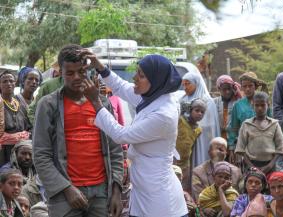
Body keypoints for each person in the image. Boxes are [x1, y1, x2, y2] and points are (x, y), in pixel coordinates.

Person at [82, 52, 188, 217]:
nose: (134, 77)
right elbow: (120, 87)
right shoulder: (153, 96)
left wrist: (96, 101)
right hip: (144, 190)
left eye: (141, 75)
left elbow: (121, 135)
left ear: (156, 80)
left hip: (160, 199)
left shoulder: (164, 114)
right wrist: (99, 66)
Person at [33, 44, 124, 217]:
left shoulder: (102, 103)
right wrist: (66, 188)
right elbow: (40, 154)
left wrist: (116, 191)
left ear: (88, 70)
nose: (76, 77)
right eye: (70, 73)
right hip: (64, 194)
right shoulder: (47, 105)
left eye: (81, 72)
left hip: (101, 193)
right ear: (60, 72)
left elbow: (115, 150)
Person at [235, 92, 283, 174]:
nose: (260, 108)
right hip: (251, 164)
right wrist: (251, 166)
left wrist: (270, 165)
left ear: (268, 105)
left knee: (270, 185)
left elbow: (280, 147)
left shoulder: (274, 124)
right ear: (252, 105)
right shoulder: (246, 124)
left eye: (263, 105)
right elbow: (241, 149)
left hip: (270, 165)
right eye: (257, 105)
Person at [228, 72, 271, 164]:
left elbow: (271, 124)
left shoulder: (264, 103)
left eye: (250, 86)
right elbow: (233, 128)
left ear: (255, 86)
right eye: (244, 86)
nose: (247, 89)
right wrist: (232, 148)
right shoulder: (238, 105)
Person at [181, 72, 221, 167]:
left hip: (201, 139)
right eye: (183, 84)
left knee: (198, 164)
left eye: (188, 83)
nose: (185, 87)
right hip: (185, 140)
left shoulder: (207, 101)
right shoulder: (182, 99)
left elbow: (210, 124)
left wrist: (192, 123)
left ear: (196, 83)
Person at [192, 137, 241, 201]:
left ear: (226, 153)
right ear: (209, 152)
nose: (219, 151)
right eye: (216, 147)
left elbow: (239, 196)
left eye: (222, 148)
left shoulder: (236, 171)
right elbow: (199, 197)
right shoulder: (198, 172)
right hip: (208, 207)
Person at [0, 71, 31, 166]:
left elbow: (30, 126)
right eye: (4, 81)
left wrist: (25, 135)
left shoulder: (21, 103)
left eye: (11, 81)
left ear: (15, 83)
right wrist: (10, 137)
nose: (8, 83)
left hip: (22, 151)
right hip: (3, 152)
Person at [175, 98, 206, 192]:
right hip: (173, 161)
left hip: (185, 164)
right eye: (197, 110)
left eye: (202, 112)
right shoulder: (180, 121)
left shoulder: (198, 130)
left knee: (182, 189)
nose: (199, 113)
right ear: (190, 110)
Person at [214, 75, 242, 141]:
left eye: (229, 89)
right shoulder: (214, 102)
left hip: (234, 140)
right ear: (219, 89)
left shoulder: (238, 103)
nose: (227, 92)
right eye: (224, 89)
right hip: (218, 139)